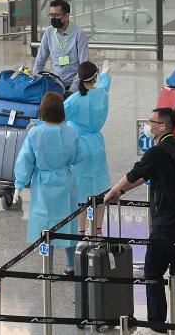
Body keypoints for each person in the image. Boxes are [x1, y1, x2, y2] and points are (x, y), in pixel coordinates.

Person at [102, 108, 175, 331]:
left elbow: (135, 173)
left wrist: (113, 190)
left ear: (162, 127)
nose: (148, 124)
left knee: (152, 273)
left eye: (152, 121)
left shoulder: (157, 152)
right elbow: (146, 175)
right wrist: (121, 193)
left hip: (165, 224)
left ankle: (157, 323)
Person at [14, 92, 82, 274]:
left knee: (44, 227)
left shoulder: (34, 133)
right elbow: (77, 157)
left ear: (42, 111)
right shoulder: (70, 132)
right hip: (66, 183)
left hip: (43, 185)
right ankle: (70, 265)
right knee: (68, 223)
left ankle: (47, 267)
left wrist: (19, 184)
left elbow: (25, 160)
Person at [64, 60, 112, 235]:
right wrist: (106, 73)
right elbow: (105, 86)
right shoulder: (101, 94)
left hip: (80, 148)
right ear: (95, 77)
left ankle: (82, 232)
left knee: (81, 194)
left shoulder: (73, 100)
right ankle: (98, 230)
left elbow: (56, 117)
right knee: (100, 192)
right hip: (97, 147)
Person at [33, 0, 89, 94]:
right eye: (51, 15)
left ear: (67, 16)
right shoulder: (49, 32)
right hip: (56, 84)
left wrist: (72, 90)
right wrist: (34, 80)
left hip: (75, 85)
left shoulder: (79, 34)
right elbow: (40, 59)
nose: (53, 18)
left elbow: (84, 66)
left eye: (56, 15)